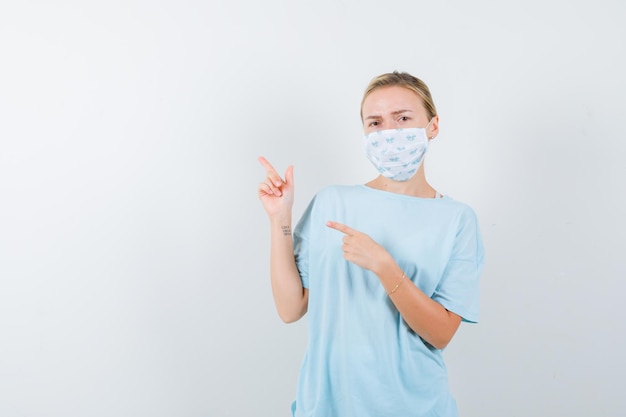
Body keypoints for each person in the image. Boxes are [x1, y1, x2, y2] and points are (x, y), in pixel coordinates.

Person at [257, 71, 484, 417]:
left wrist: (385, 266)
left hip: (413, 407)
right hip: (326, 406)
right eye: (374, 122)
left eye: (403, 118)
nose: (388, 132)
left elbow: (441, 333)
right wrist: (280, 218)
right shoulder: (333, 202)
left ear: (433, 126)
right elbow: (290, 309)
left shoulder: (457, 219)